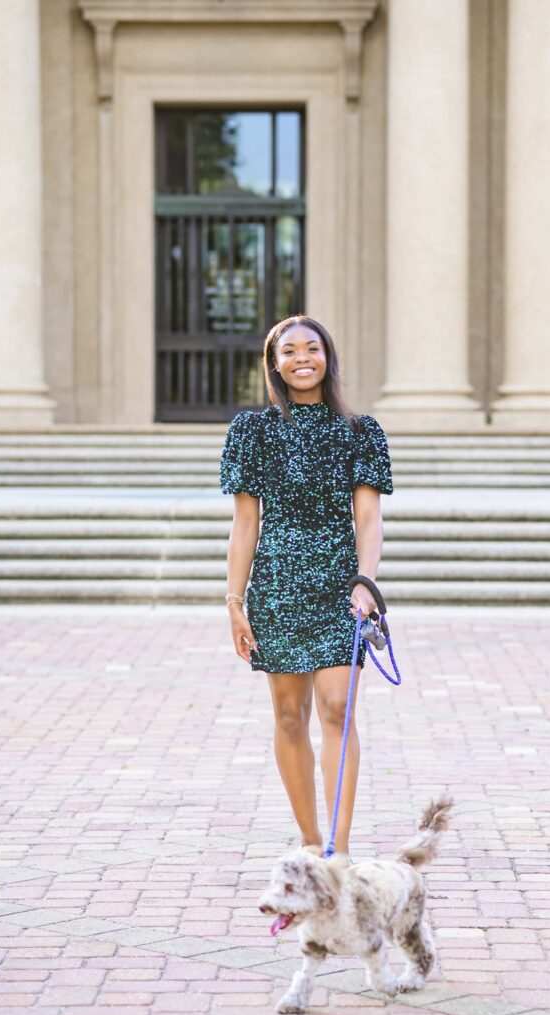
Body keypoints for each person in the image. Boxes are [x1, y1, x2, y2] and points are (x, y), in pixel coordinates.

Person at [219, 314, 393, 860]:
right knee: (290, 715)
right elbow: (245, 524)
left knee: (338, 709)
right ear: (274, 363)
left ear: (327, 357)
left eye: (311, 348)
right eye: (289, 350)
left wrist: (366, 583)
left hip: (340, 586)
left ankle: (338, 849)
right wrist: (234, 599)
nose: (301, 358)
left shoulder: (360, 431)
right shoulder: (253, 432)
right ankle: (310, 839)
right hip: (277, 586)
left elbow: (368, 519)